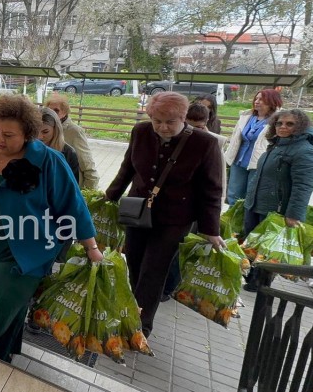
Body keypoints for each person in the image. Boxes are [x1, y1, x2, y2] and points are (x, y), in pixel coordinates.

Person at [0, 94, 102, 362]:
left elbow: (73, 205)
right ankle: (0, 366)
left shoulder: (49, 161)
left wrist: (92, 248)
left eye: (9, 135)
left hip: (27, 256)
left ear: (28, 135)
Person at [105, 92, 225, 338]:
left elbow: (212, 189)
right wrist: (109, 196)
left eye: (170, 122)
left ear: (183, 117)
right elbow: (127, 167)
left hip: (175, 217)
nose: (163, 127)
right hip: (137, 209)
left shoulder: (204, 143)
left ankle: (139, 326)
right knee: (135, 265)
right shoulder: (140, 132)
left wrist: (211, 230)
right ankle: (130, 309)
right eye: (157, 120)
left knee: (154, 270)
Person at [161, 102, 229, 302]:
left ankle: (168, 287)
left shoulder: (211, 142)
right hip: (171, 207)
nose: (191, 131)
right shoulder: (170, 137)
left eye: (197, 127)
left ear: (206, 124)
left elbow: (218, 184)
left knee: (184, 250)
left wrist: (213, 218)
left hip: (196, 208)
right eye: (188, 125)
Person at [241, 109, 313, 292]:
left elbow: (303, 185)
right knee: (253, 242)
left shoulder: (304, 150)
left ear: (301, 127)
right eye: (279, 123)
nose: (283, 127)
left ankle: (261, 284)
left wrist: (293, 215)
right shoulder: (276, 144)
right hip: (257, 203)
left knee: (268, 250)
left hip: (276, 209)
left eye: (290, 124)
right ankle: (251, 278)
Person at [225, 89, 283, 205]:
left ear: (272, 101)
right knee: (233, 193)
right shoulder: (246, 116)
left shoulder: (278, 120)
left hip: (258, 163)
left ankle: (246, 221)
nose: (257, 101)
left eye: (261, 99)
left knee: (251, 195)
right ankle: (231, 220)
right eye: (256, 98)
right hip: (238, 160)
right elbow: (235, 137)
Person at [44, 94, 99, 189]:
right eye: (50, 110)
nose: (52, 113)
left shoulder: (74, 131)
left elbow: (87, 164)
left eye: (56, 110)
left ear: (65, 112)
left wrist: (87, 193)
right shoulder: (46, 129)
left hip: (71, 186)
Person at [38, 107, 80, 181]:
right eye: (35, 132)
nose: (39, 137)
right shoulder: (25, 149)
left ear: (56, 130)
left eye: (45, 132)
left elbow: (73, 187)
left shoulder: (69, 153)